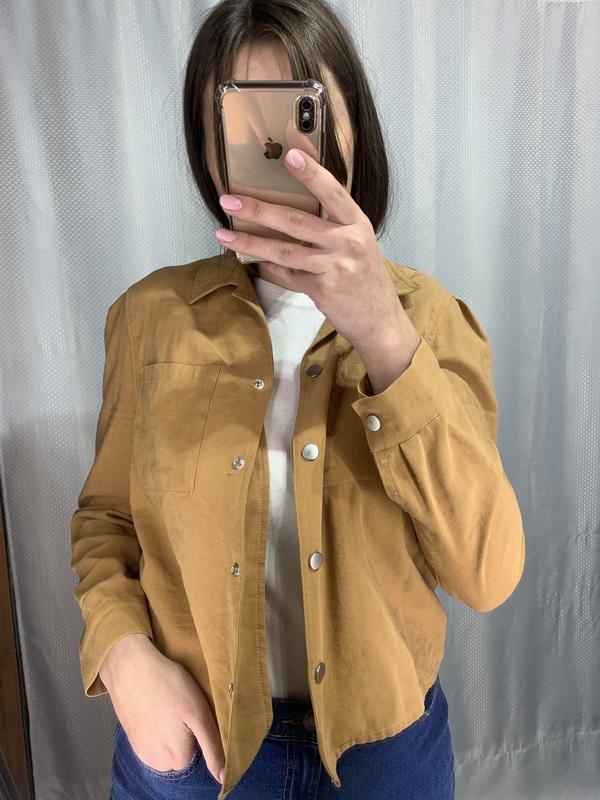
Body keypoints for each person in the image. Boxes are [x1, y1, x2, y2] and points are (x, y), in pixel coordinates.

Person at [70, 1, 526, 798]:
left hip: (388, 754)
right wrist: (123, 653)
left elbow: (486, 571)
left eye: (300, 112)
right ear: (208, 148)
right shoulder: (151, 318)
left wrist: (386, 337)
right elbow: (107, 520)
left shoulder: (430, 322)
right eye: (242, 119)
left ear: (351, 128)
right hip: (194, 750)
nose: (279, 150)